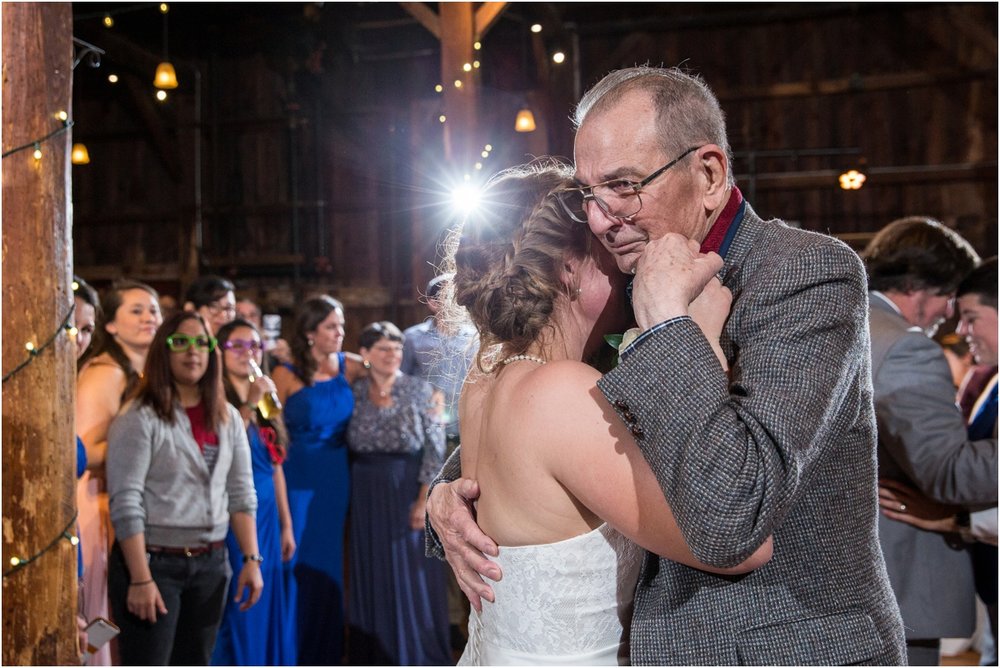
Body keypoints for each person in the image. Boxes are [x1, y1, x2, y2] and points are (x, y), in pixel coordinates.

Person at [427, 65, 907, 665]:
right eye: (588, 193)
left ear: (708, 173)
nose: (601, 219)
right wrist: (447, 499)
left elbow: (733, 518)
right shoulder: (626, 280)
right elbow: (537, 431)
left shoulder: (804, 275)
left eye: (625, 185)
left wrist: (671, 328)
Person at [437, 161, 775, 663]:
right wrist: (693, 346)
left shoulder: (484, 379)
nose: (628, 269)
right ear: (568, 268)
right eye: (608, 253)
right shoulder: (563, 391)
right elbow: (735, 545)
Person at [860, 219, 996, 665]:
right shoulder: (902, 346)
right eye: (951, 300)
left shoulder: (844, 322)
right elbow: (949, 472)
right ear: (919, 287)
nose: (951, 318)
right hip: (899, 577)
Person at [106, 311, 262, 665]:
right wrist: (140, 578)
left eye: (201, 342)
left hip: (211, 563)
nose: (193, 351)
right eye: (181, 342)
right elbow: (126, 501)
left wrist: (252, 559)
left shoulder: (227, 416)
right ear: (164, 350)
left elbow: (241, 493)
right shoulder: (139, 415)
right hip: (155, 563)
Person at [345, 321, 451, 664]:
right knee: (372, 569)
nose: (392, 355)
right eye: (383, 349)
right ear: (365, 354)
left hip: (406, 489)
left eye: (397, 348)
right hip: (365, 492)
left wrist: (423, 500)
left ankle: (415, 653)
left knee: (410, 572)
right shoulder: (354, 391)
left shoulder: (422, 391)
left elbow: (436, 451)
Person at [272, 295, 365, 664]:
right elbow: (269, 429)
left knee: (329, 560)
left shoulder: (352, 366)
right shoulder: (285, 371)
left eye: (341, 325)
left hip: (336, 476)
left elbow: (391, 369)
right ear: (310, 332)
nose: (340, 333)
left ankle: (326, 652)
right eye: (331, 326)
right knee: (295, 559)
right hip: (297, 476)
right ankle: (294, 650)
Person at [76, 279, 162, 667]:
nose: (149, 318)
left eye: (154, 310)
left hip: (125, 504)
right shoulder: (105, 373)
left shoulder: (141, 372)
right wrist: (156, 451)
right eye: (136, 310)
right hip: (98, 506)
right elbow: (85, 450)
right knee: (100, 609)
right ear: (110, 325)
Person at [210, 319, 297, 666]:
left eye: (255, 346)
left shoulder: (264, 395)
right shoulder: (217, 397)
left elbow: (275, 462)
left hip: (268, 516)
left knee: (270, 599)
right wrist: (249, 401)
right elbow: (221, 450)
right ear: (220, 351)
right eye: (238, 346)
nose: (248, 353)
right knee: (241, 600)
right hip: (236, 511)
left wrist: (286, 523)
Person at [401, 274, 478, 650]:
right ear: (432, 301)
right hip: (428, 439)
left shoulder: (474, 336)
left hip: (467, 436)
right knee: (434, 520)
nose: (451, 300)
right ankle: (442, 620)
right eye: (443, 295)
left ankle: (469, 615)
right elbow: (403, 385)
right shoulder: (413, 338)